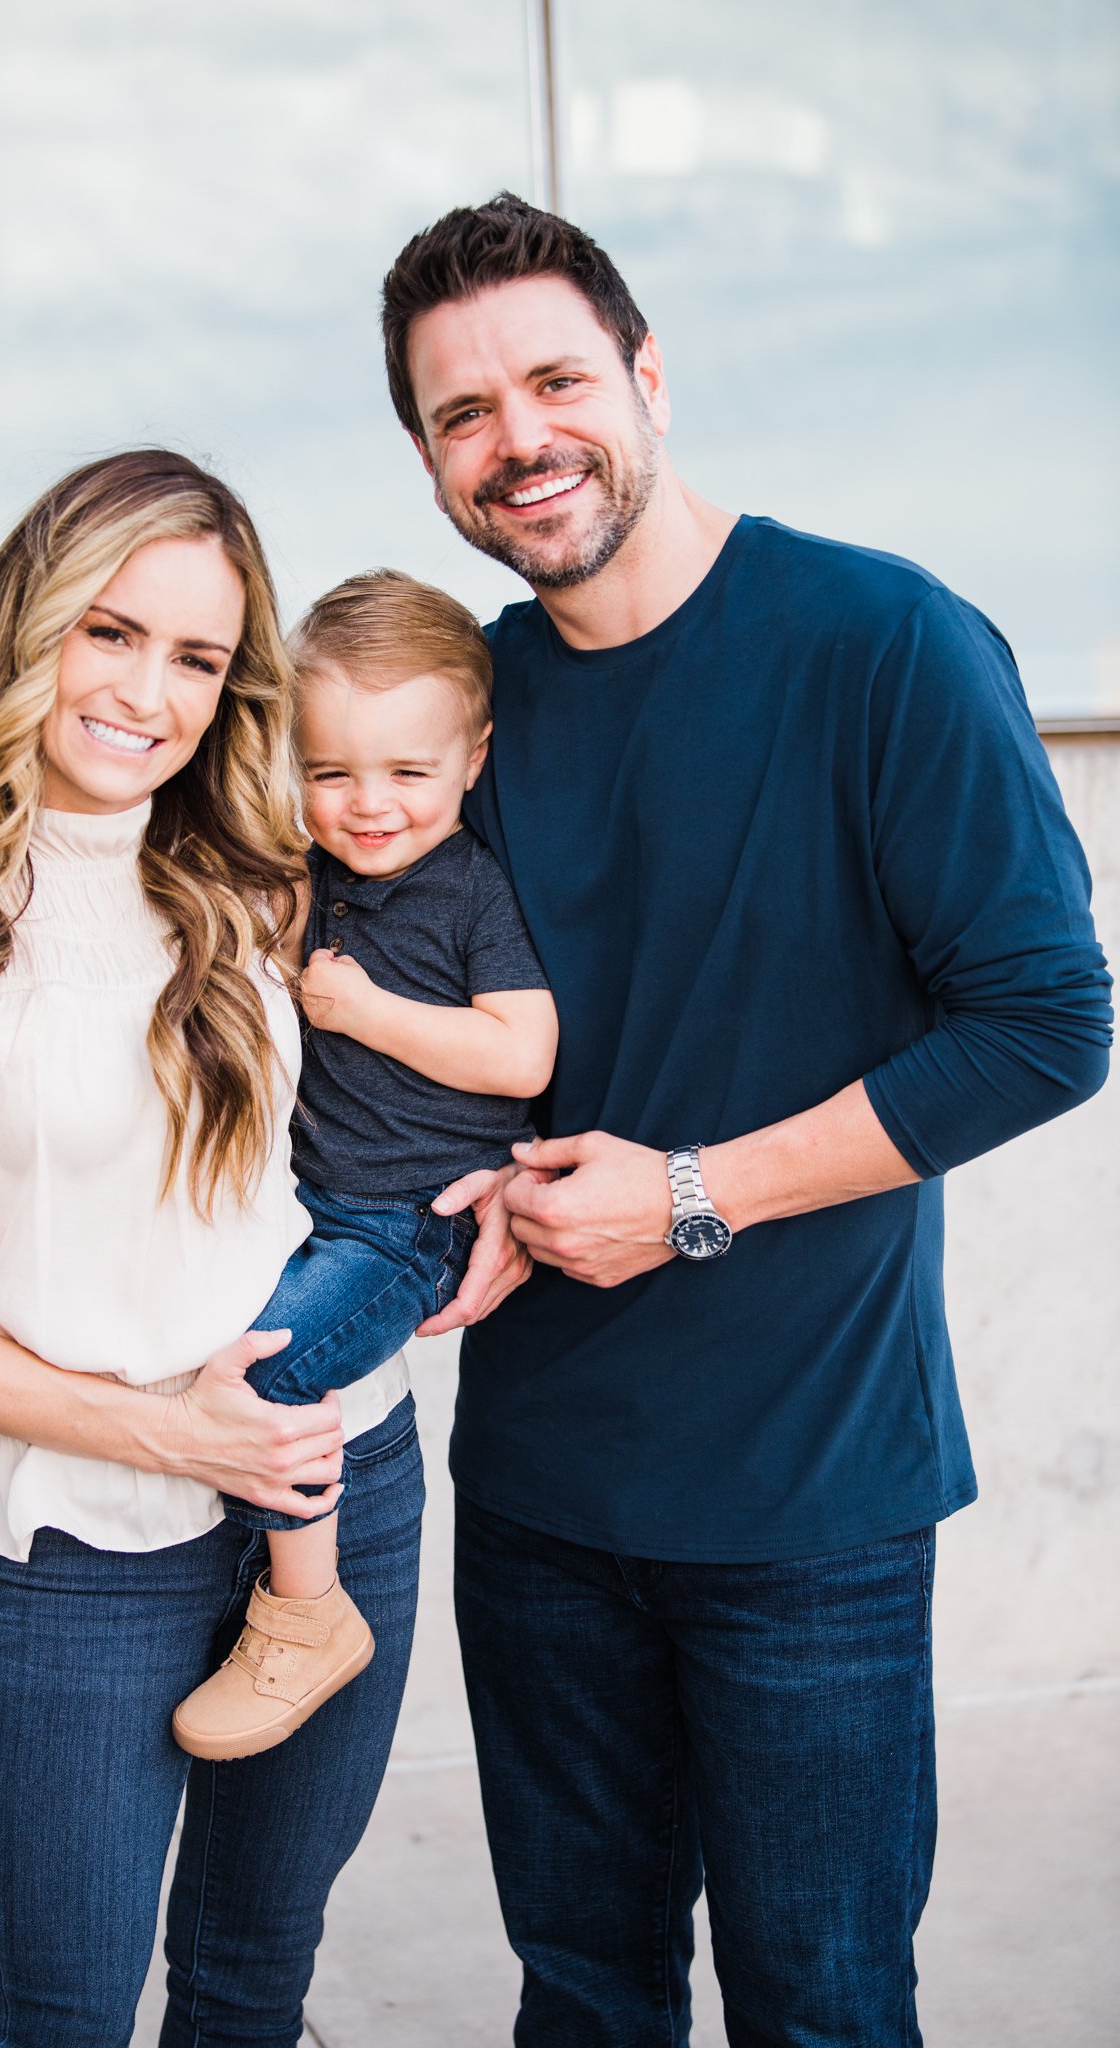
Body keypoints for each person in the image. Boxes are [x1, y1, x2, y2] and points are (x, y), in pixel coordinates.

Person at [377, 193, 1113, 2045]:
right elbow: (439, 1035)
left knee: (821, 2004)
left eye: (554, 380)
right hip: (536, 1492)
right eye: (461, 412)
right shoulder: (463, 712)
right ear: (427, 459)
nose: (516, 438)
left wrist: (690, 1193)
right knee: (582, 1995)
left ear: (647, 375)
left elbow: (1043, 1025)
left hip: (807, 1505)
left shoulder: (881, 643)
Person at [0, 451, 423, 2048]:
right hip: (89, 1542)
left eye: (198, 658)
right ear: (32, 626)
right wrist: (169, 1435)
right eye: (112, 632)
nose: (150, 694)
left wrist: (473, 1209)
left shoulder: (261, 885)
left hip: (341, 1487)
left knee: (250, 1989)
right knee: (58, 2016)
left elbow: (382, 1129)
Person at [172, 569, 557, 1761]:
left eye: (406, 771)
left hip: (410, 1220)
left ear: (472, 761)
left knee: (272, 1374)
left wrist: (367, 1012)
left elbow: (521, 1050)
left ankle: (306, 1614)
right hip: (315, 1206)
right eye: (330, 772)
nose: (369, 804)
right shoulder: (318, 873)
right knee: (212, 1343)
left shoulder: (470, 888)